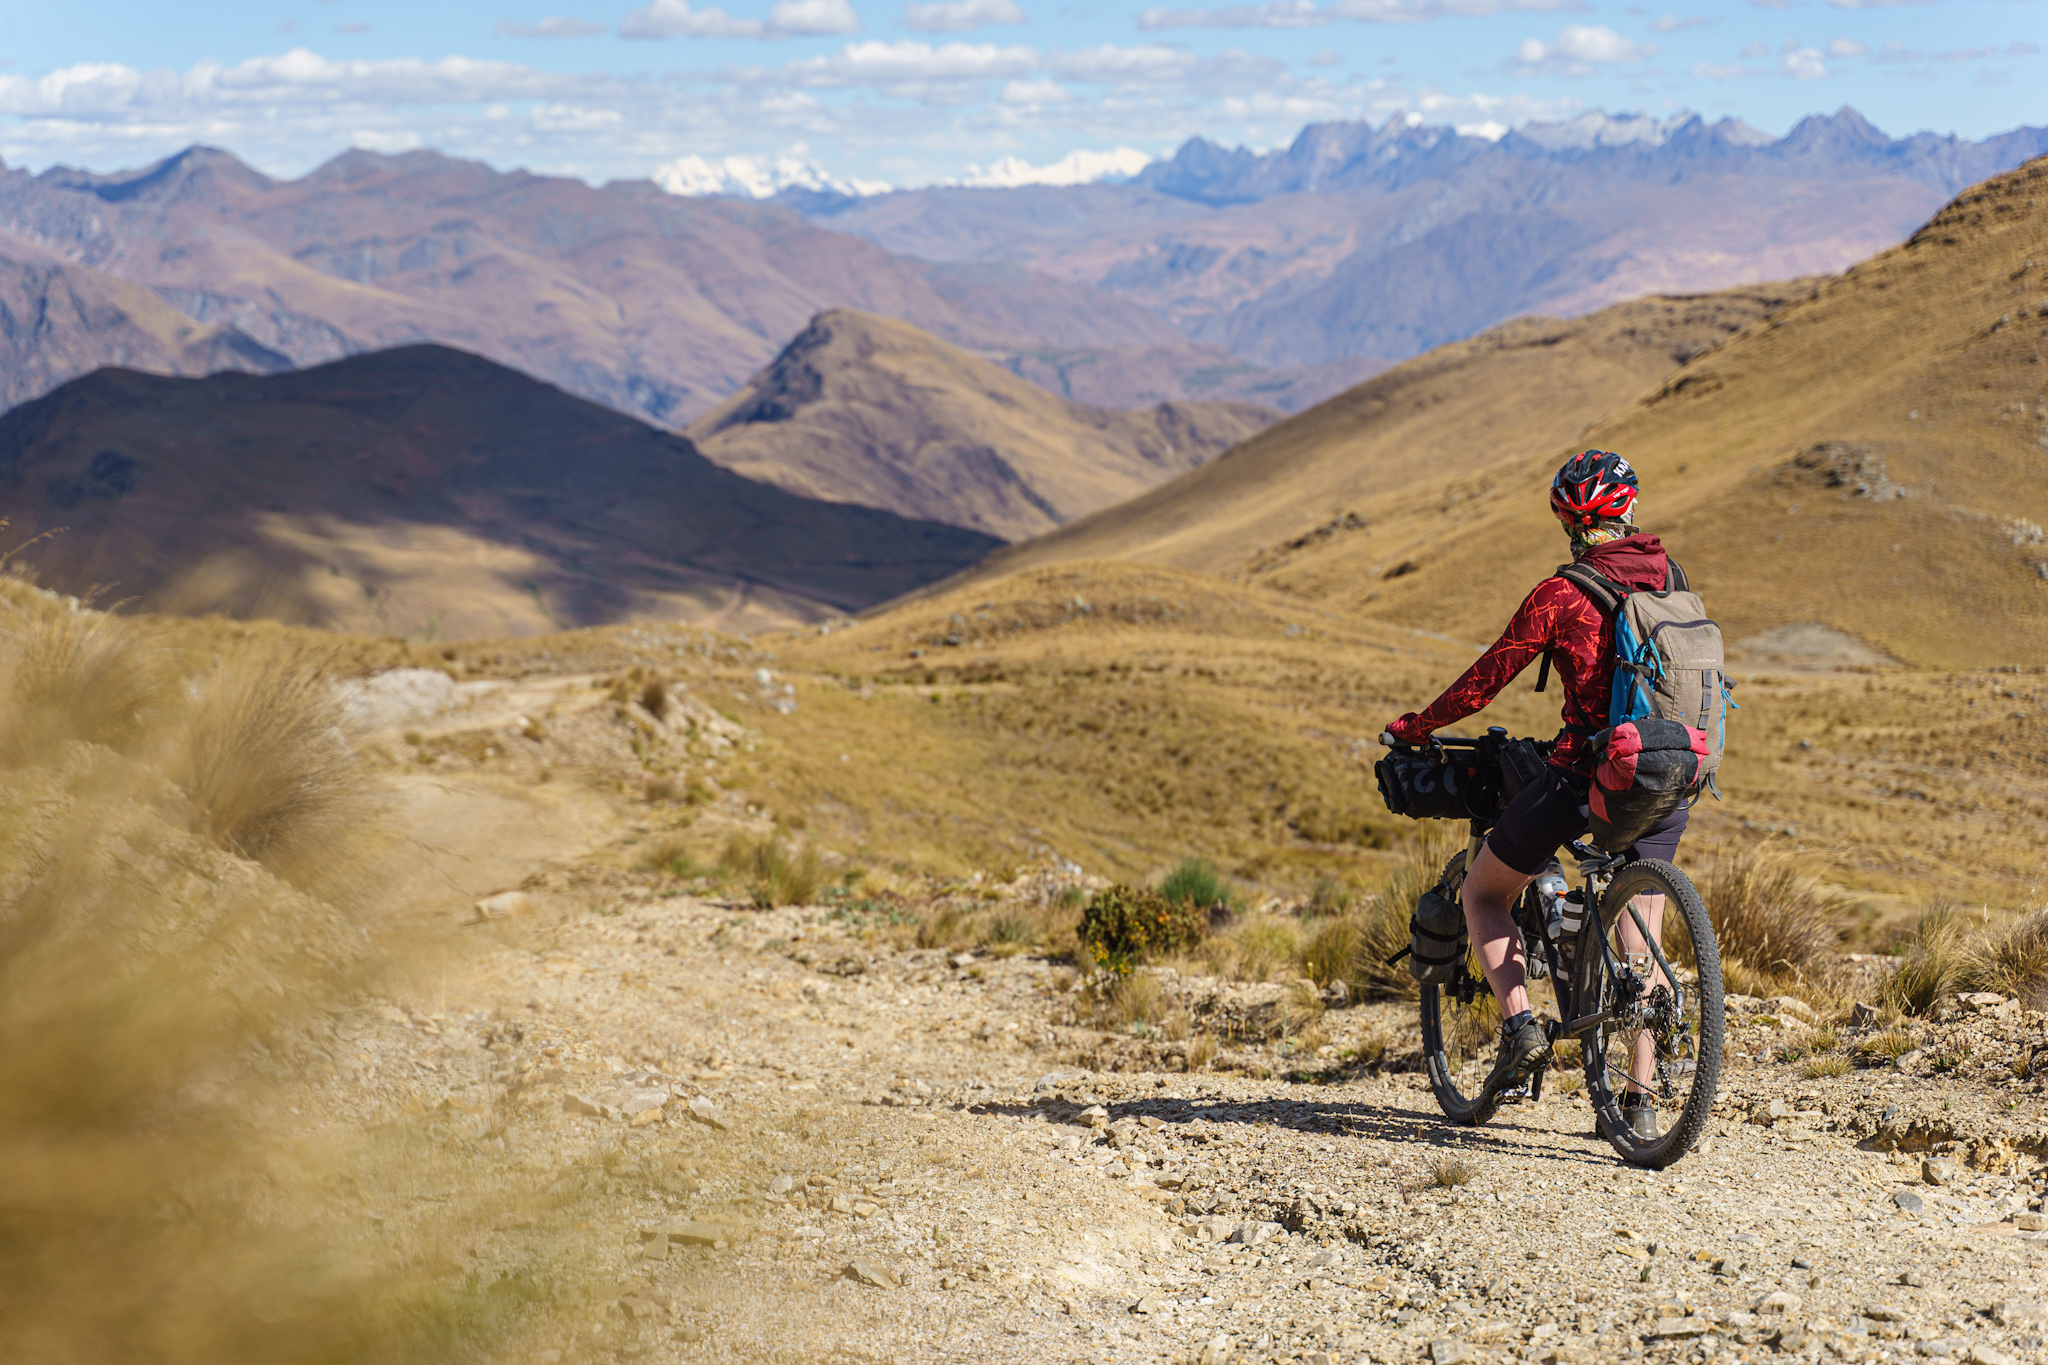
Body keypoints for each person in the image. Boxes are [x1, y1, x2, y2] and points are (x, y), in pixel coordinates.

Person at [1384, 450, 1685, 1137]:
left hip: (1587, 775)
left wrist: (1418, 725)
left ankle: (1521, 1027)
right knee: (1643, 935)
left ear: (1566, 519)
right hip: (1673, 771)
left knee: (1483, 891)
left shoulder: (1562, 593)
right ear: (1628, 509)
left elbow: (1485, 680)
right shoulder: (1671, 578)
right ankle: (1640, 1105)